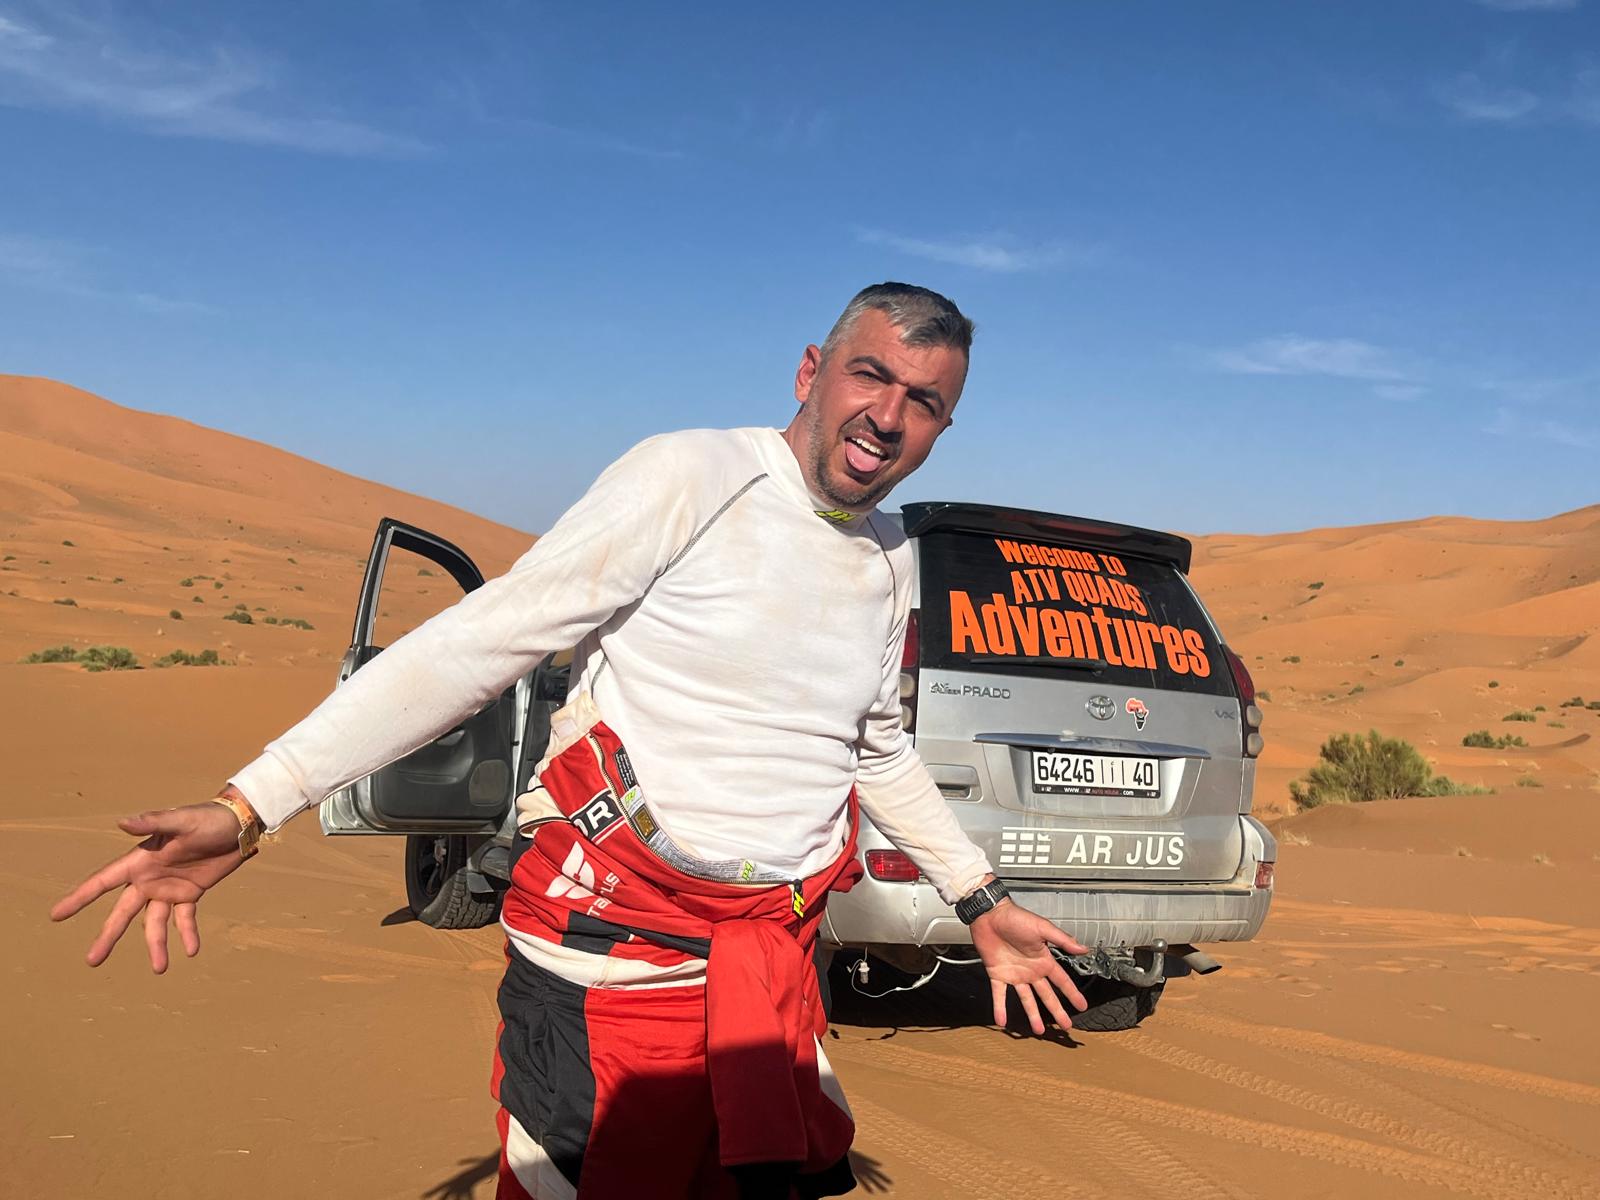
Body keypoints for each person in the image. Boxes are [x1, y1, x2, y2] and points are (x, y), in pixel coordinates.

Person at [52, 282, 1089, 1199]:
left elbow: (873, 747)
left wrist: (980, 900)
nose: (889, 416)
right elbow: (482, 642)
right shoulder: (692, 476)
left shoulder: (888, 554)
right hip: (610, 971)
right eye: (872, 376)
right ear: (811, 371)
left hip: (769, 975)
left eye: (925, 402)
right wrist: (255, 802)